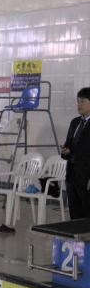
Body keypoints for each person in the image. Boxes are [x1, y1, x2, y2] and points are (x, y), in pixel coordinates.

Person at [60, 87, 90, 219]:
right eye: (77, 101)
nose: (78, 105)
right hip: (72, 176)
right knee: (75, 215)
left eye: (82, 101)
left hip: (87, 178)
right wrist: (66, 151)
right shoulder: (75, 122)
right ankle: (78, 240)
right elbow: (70, 146)